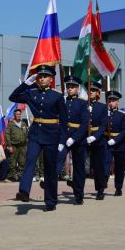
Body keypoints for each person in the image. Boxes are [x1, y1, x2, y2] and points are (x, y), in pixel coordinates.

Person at [10, 65, 67, 212]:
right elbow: (13, 97)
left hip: (52, 135)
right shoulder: (32, 93)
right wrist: (25, 84)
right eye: (39, 76)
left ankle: (50, 201)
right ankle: (24, 191)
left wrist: (62, 141)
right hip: (35, 133)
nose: (41, 78)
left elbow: (64, 121)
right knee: (30, 161)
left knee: (50, 168)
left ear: (51, 79)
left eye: (45, 76)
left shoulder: (57, 96)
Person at [55, 76, 89, 205]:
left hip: (78, 139)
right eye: (68, 87)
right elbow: (61, 121)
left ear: (77, 88)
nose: (70, 89)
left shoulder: (82, 103)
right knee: (57, 160)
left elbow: (84, 123)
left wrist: (74, 138)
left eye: (72, 87)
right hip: (64, 136)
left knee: (79, 168)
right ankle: (50, 185)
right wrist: (61, 139)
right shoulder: (63, 102)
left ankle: (79, 194)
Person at [86, 81, 108, 200]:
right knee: (79, 163)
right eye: (89, 90)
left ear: (98, 93)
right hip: (84, 137)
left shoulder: (102, 107)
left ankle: (100, 189)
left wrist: (95, 136)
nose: (91, 92)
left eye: (93, 90)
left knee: (97, 166)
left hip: (98, 139)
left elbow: (103, 125)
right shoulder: (84, 105)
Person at [105, 91, 125, 197]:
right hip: (107, 143)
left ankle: (118, 188)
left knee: (119, 168)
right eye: (109, 100)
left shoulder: (122, 115)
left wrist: (115, 140)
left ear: (117, 102)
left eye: (113, 101)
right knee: (104, 165)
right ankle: (102, 185)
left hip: (119, 144)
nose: (111, 102)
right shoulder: (104, 113)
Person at [5, 108, 29, 182]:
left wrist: (27, 144)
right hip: (14, 146)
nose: (18, 115)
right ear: (14, 115)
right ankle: (11, 177)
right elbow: (7, 135)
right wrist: (9, 146)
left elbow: (27, 134)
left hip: (23, 146)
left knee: (22, 162)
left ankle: (21, 176)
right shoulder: (11, 124)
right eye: (17, 114)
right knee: (13, 162)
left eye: (19, 114)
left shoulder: (24, 123)